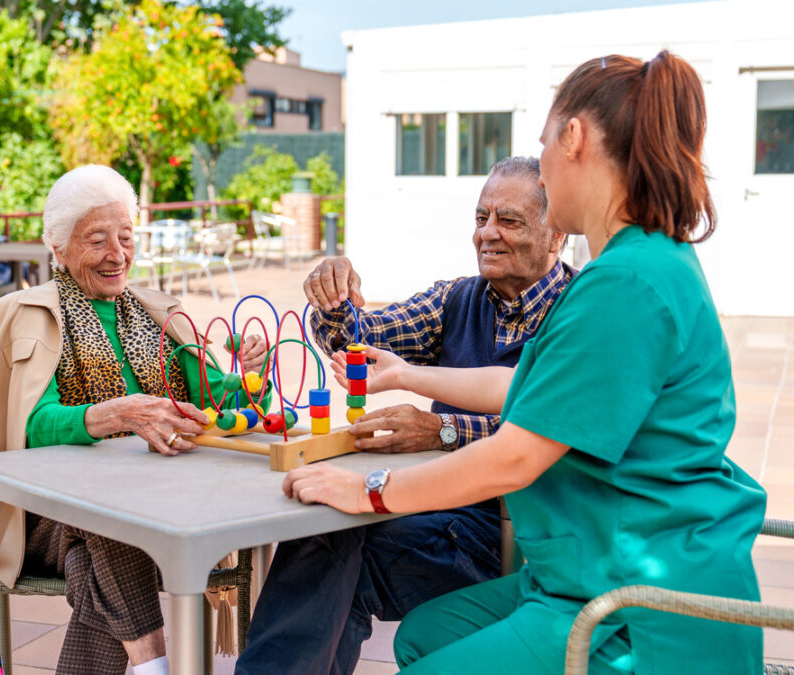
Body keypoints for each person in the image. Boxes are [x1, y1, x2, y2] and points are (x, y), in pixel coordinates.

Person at [284, 51, 766, 674]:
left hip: (633, 608)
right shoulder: (635, 265)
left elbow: (515, 454)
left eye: (542, 148)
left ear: (574, 139)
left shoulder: (624, 285)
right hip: (588, 572)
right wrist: (403, 373)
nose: (540, 165)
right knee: (425, 637)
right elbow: (521, 386)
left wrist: (370, 492)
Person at [235, 156, 573, 675]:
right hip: (437, 508)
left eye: (509, 220)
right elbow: (360, 340)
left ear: (557, 236)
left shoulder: (578, 312)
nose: (488, 233)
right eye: (481, 218)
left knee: (333, 548)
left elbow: (551, 436)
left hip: (520, 538)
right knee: (327, 532)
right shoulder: (458, 297)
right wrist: (333, 299)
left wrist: (443, 431)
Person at [0, 165, 268, 675]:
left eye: (126, 236)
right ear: (58, 247)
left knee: (94, 560)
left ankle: (147, 666)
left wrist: (249, 375)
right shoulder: (32, 317)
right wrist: (114, 415)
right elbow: (31, 425)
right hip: (49, 515)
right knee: (106, 510)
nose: (117, 253)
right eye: (97, 239)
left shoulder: (159, 314)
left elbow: (214, 402)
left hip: (165, 515)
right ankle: (155, 663)